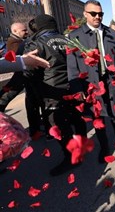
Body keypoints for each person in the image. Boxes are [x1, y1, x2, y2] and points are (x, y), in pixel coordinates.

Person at [67, 0, 115, 163]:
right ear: (85, 14)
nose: (98, 17)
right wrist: (77, 88)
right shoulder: (75, 36)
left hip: (112, 81)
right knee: (97, 117)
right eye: (93, 14)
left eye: (100, 14)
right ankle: (105, 147)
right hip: (91, 84)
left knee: (114, 112)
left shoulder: (111, 34)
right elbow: (72, 66)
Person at [23, 14, 87, 176]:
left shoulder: (36, 43)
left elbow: (29, 69)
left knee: (57, 124)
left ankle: (72, 157)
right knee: (77, 118)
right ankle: (81, 147)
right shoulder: (68, 39)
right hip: (72, 85)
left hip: (52, 90)